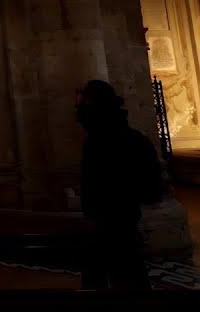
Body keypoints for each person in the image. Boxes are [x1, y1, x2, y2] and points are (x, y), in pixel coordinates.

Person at [76, 80, 162, 291]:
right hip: (118, 220)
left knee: (124, 275)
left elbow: (149, 187)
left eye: (82, 105)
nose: (78, 113)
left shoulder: (106, 143)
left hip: (113, 222)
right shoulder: (126, 139)